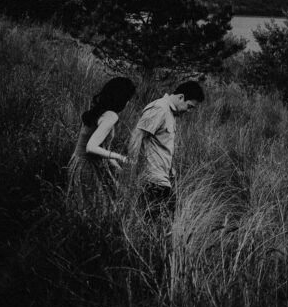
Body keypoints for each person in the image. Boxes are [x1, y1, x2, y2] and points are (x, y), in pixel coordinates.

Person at [130, 80, 205, 218]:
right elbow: (137, 136)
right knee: (158, 224)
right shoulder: (160, 108)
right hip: (152, 179)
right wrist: (130, 171)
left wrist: (170, 168)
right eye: (189, 106)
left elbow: (159, 144)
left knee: (164, 223)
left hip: (162, 178)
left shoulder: (171, 113)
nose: (188, 111)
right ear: (181, 97)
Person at [66, 76, 137, 209]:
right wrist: (121, 157)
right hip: (88, 166)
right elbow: (91, 147)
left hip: (77, 162)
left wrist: (116, 166)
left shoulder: (97, 110)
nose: (128, 103)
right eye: (128, 99)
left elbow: (103, 148)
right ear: (121, 99)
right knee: (98, 208)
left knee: (82, 207)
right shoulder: (111, 116)